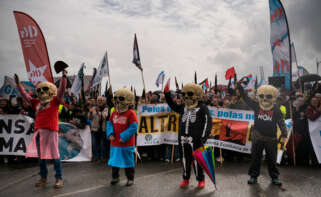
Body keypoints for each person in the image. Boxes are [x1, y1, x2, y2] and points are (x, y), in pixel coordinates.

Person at [14, 68, 67, 189]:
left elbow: (61, 90)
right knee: (41, 157)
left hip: (52, 131)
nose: (42, 92)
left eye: (45, 89)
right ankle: (44, 178)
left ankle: (59, 179)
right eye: (40, 90)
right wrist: (18, 85)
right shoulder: (35, 102)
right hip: (39, 133)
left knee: (55, 155)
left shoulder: (55, 100)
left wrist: (64, 76)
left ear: (51, 91)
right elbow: (25, 96)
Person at [237, 82, 287, 186]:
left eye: (268, 96)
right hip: (257, 136)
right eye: (262, 96)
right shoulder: (256, 106)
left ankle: (274, 177)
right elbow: (246, 98)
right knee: (255, 157)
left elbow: (281, 123)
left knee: (272, 159)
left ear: (273, 97)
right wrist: (240, 88)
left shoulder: (276, 109)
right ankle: (253, 176)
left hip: (271, 138)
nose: (264, 99)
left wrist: (284, 134)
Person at [164, 83, 212, 189]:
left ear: (197, 95)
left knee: (197, 160)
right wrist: (167, 94)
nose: (185, 96)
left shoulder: (202, 107)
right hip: (182, 139)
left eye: (189, 94)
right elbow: (173, 105)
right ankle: (186, 178)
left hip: (196, 140)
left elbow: (208, 122)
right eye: (184, 94)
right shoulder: (183, 107)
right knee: (185, 159)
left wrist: (203, 137)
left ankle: (201, 179)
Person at [106, 88, 138, 186]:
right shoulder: (114, 112)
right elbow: (109, 123)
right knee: (115, 161)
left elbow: (133, 127)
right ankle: (115, 177)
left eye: (120, 99)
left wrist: (123, 137)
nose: (117, 101)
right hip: (115, 143)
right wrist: (110, 133)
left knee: (128, 162)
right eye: (115, 98)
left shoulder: (131, 113)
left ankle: (130, 178)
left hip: (126, 144)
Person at [88, 96, 110, 162]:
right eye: (98, 100)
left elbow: (104, 117)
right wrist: (91, 112)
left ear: (104, 101)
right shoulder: (93, 108)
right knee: (94, 144)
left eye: (101, 100)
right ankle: (95, 156)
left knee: (102, 144)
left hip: (102, 129)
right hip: (94, 128)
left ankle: (102, 157)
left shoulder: (106, 108)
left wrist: (98, 112)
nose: (99, 101)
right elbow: (89, 118)